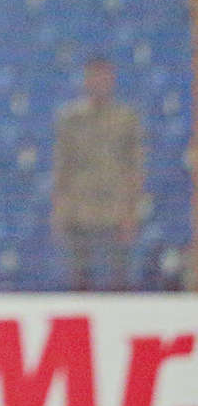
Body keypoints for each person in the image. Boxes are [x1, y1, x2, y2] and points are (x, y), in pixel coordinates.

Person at [52, 57, 145, 291]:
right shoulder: (70, 118)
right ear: (85, 80)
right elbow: (62, 166)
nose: (99, 82)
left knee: (118, 280)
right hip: (79, 211)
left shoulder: (126, 118)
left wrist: (131, 211)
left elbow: (135, 166)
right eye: (94, 77)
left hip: (115, 211)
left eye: (104, 77)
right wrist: (60, 209)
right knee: (80, 280)